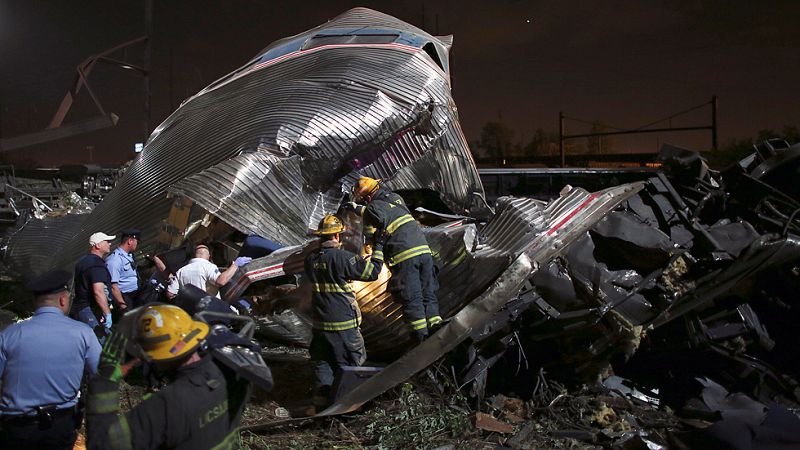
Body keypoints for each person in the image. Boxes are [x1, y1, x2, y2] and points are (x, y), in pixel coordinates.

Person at [86, 304, 251, 449]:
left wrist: (104, 381)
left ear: (153, 357)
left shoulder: (165, 406)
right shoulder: (229, 373)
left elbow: (102, 444)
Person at [0, 269, 101, 449]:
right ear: (63, 300)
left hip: (17, 428)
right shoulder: (83, 333)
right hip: (60, 426)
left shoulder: (9, 335)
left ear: (35, 302)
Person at [304, 214, 385, 408]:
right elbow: (372, 272)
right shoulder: (343, 258)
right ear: (337, 236)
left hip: (320, 326)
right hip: (344, 326)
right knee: (351, 366)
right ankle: (352, 407)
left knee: (324, 365)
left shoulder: (310, 260)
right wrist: (379, 248)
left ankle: (322, 406)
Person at [349, 176, 440, 343]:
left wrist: (371, 252)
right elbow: (385, 212)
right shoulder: (396, 198)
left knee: (412, 298)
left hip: (405, 256)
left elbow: (371, 237)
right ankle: (436, 326)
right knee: (428, 292)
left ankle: (420, 339)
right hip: (424, 252)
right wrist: (360, 210)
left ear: (367, 198)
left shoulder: (372, 209)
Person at [72, 231, 115, 341]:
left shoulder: (82, 261)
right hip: (89, 310)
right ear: (98, 245)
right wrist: (107, 313)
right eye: (107, 241)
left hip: (80, 308)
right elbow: (98, 291)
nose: (109, 244)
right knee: (102, 345)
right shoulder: (96, 264)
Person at [166, 244, 238, 299]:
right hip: (207, 312)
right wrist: (235, 265)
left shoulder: (181, 270)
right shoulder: (209, 267)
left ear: (194, 255)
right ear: (209, 256)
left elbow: (170, 294)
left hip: (187, 311)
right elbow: (220, 281)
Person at [106, 229, 141, 314]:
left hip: (134, 296)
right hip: (124, 298)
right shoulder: (115, 260)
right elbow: (113, 287)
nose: (137, 244)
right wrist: (123, 306)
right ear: (130, 241)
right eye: (137, 242)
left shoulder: (129, 255)